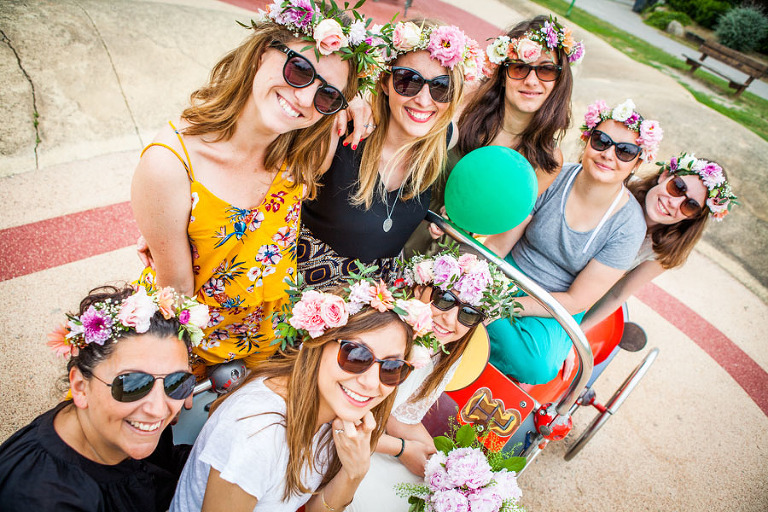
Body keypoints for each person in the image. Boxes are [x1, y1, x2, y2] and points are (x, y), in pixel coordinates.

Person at [131, 0, 384, 372]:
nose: (303, 97)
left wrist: (355, 100)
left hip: (271, 352)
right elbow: (177, 299)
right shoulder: (169, 166)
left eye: (326, 94)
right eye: (299, 69)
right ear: (262, 52)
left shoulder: (304, 152)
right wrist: (175, 379)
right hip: (193, 356)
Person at [170, 270, 432, 511]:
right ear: (318, 343)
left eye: (391, 367)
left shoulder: (337, 414)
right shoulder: (257, 433)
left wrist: (354, 472)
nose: (372, 383)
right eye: (357, 356)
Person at [484, 98, 662, 385]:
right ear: (587, 140)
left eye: (625, 151)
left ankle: (478, 324)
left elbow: (578, 299)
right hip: (511, 270)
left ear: (638, 162)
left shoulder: (629, 227)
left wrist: (501, 306)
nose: (608, 154)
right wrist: (479, 274)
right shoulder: (553, 176)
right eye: (601, 141)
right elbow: (502, 243)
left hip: (557, 301)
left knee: (537, 366)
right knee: (461, 292)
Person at [299, 19, 483, 289]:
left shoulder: (444, 137)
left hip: (373, 311)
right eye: (407, 81)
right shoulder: (342, 131)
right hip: (300, 298)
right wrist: (352, 98)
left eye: (441, 87)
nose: (423, 99)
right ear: (385, 82)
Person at [0, 285, 209, 511]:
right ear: (80, 387)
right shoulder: (44, 501)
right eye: (131, 385)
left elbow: (163, 466)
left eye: (177, 382)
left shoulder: (122, 425)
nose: (158, 409)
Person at [347, 246, 517, 511]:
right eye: (445, 298)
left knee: (434, 496)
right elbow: (342, 421)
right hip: (341, 438)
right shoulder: (387, 332)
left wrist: (448, 469)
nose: (449, 318)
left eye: (469, 313)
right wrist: (402, 450)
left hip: (374, 437)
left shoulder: (445, 350)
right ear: (420, 288)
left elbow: (402, 417)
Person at [407, 15, 584, 255]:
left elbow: (501, 226)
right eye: (519, 67)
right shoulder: (464, 102)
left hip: (447, 250)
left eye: (546, 70)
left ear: (559, 80)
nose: (531, 81)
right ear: (503, 74)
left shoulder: (547, 159)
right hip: (402, 216)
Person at [579, 152, 737, 332]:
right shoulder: (621, 186)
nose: (674, 203)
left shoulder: (663, 249)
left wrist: (576, 333)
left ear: (693, 217)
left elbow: (618, 294)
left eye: (690, 205)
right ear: (665, 175)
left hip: (577, 298)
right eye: (677, 187)